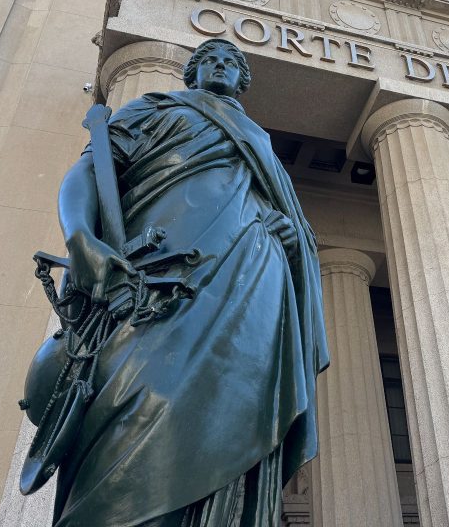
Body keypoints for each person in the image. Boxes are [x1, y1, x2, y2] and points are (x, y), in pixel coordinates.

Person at [50, 37, 328, 527]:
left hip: (255, 279)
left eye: (230, 61)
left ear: (242, 80)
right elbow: (91, 169)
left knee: (236, 418)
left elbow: (289, 217)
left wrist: (291, 238)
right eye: (209, 59)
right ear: (191, 71)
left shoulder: (259, 140)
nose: (219, 66)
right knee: (132, 410)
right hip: (157, 280)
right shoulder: (155, 109)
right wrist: (80, 239)